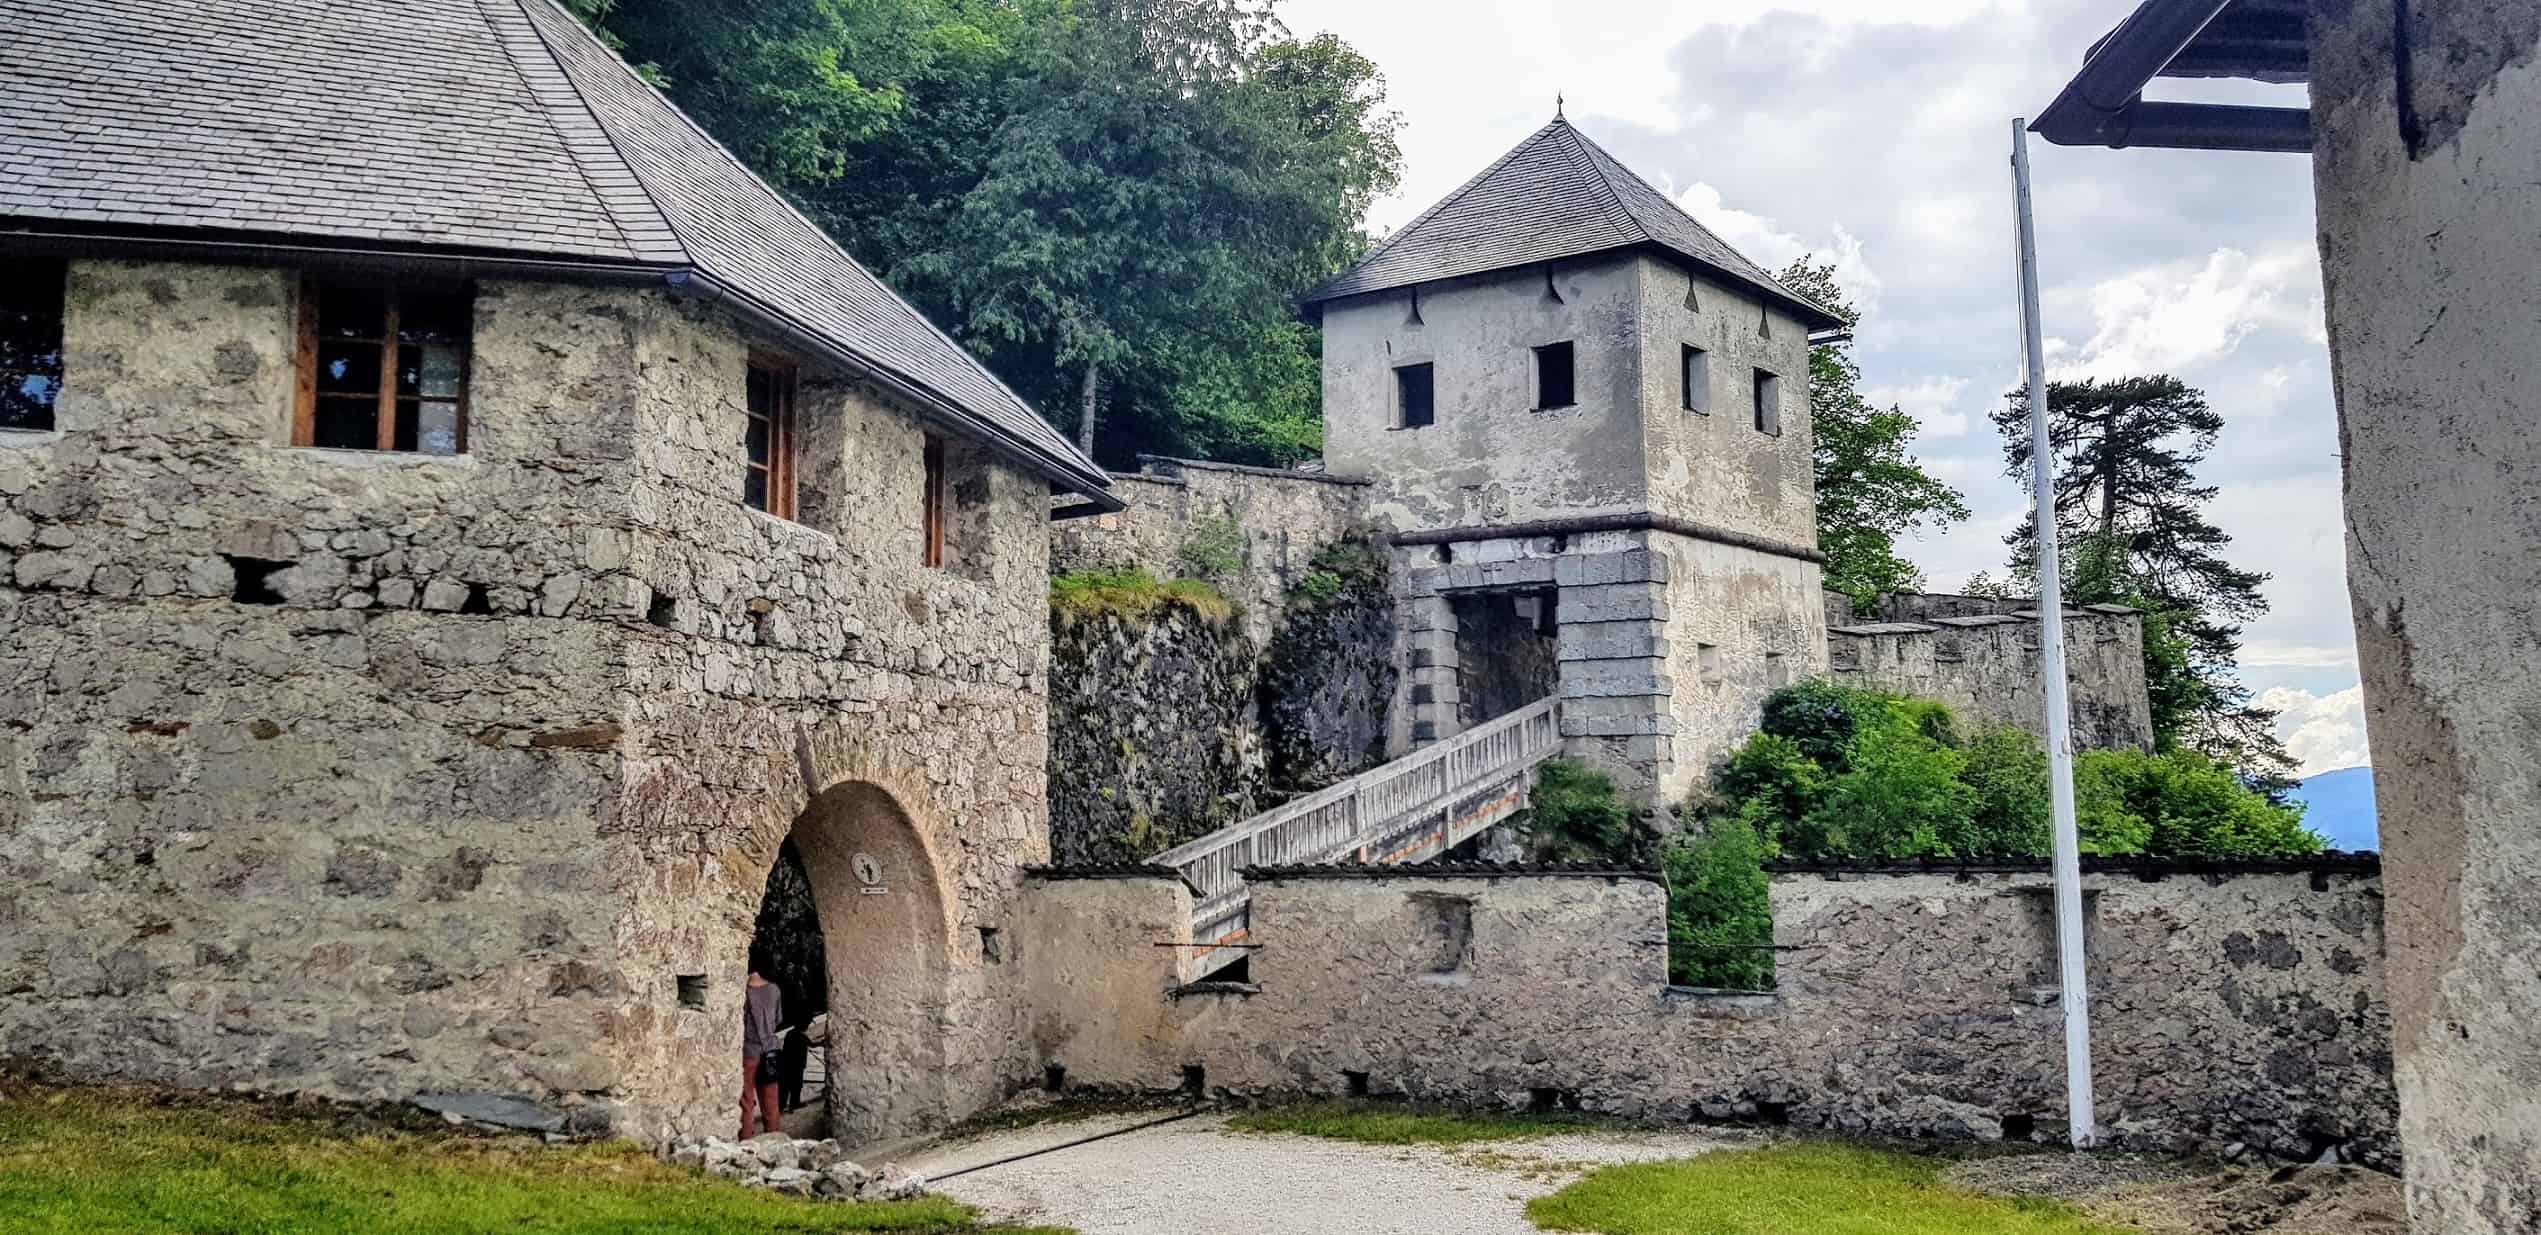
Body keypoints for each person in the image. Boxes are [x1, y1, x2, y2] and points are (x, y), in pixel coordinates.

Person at [739, 962, 783, 1139]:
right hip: (770, 1050)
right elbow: (778, 1018)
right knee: (771, 1099)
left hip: (748, 1051)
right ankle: (773, 1138)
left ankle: (745, 1139)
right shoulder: (774, 990)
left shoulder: (744, 992)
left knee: (746, 1100)